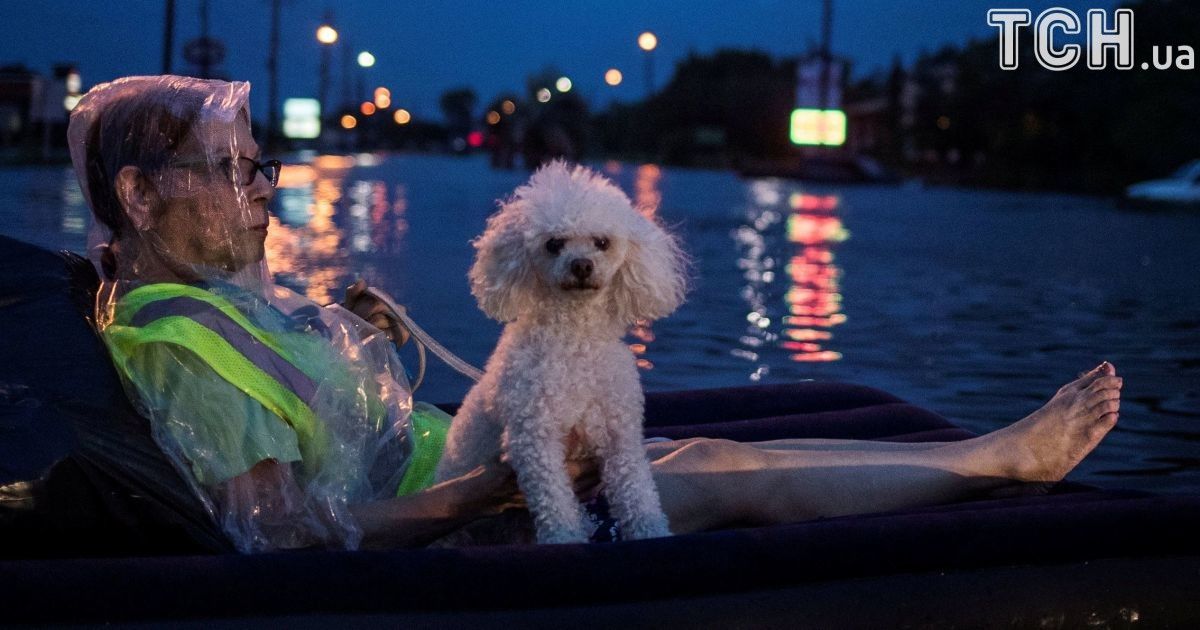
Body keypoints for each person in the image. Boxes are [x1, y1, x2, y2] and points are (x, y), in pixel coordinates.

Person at [67, 76, 1124, 552]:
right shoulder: (176, 344)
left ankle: (980, 458)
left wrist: (367, 340)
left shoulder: (204, 305)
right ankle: (998, 463)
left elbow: (317, 434)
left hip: (446, 472)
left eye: (259, 165)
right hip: (455, 524)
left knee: (693, 447)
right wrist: (482, 492)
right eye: (233, 170)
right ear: (140, 196)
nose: (262, 191)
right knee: (708, 467)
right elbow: (285, 537)